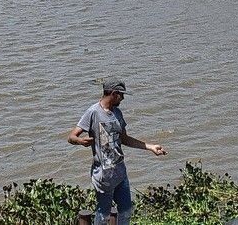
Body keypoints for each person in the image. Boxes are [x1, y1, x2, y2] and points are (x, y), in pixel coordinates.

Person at [67, 79, 166, 224]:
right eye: (121, 95)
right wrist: (80, 141)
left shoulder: (118, 113)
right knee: (103, 213)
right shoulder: (93, 112)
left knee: (126, 209)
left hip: (120, 172)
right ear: (113, 93)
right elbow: (71, 137)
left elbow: (124, 139)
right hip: (104, 175)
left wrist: (150, 147)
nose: (123, 98)